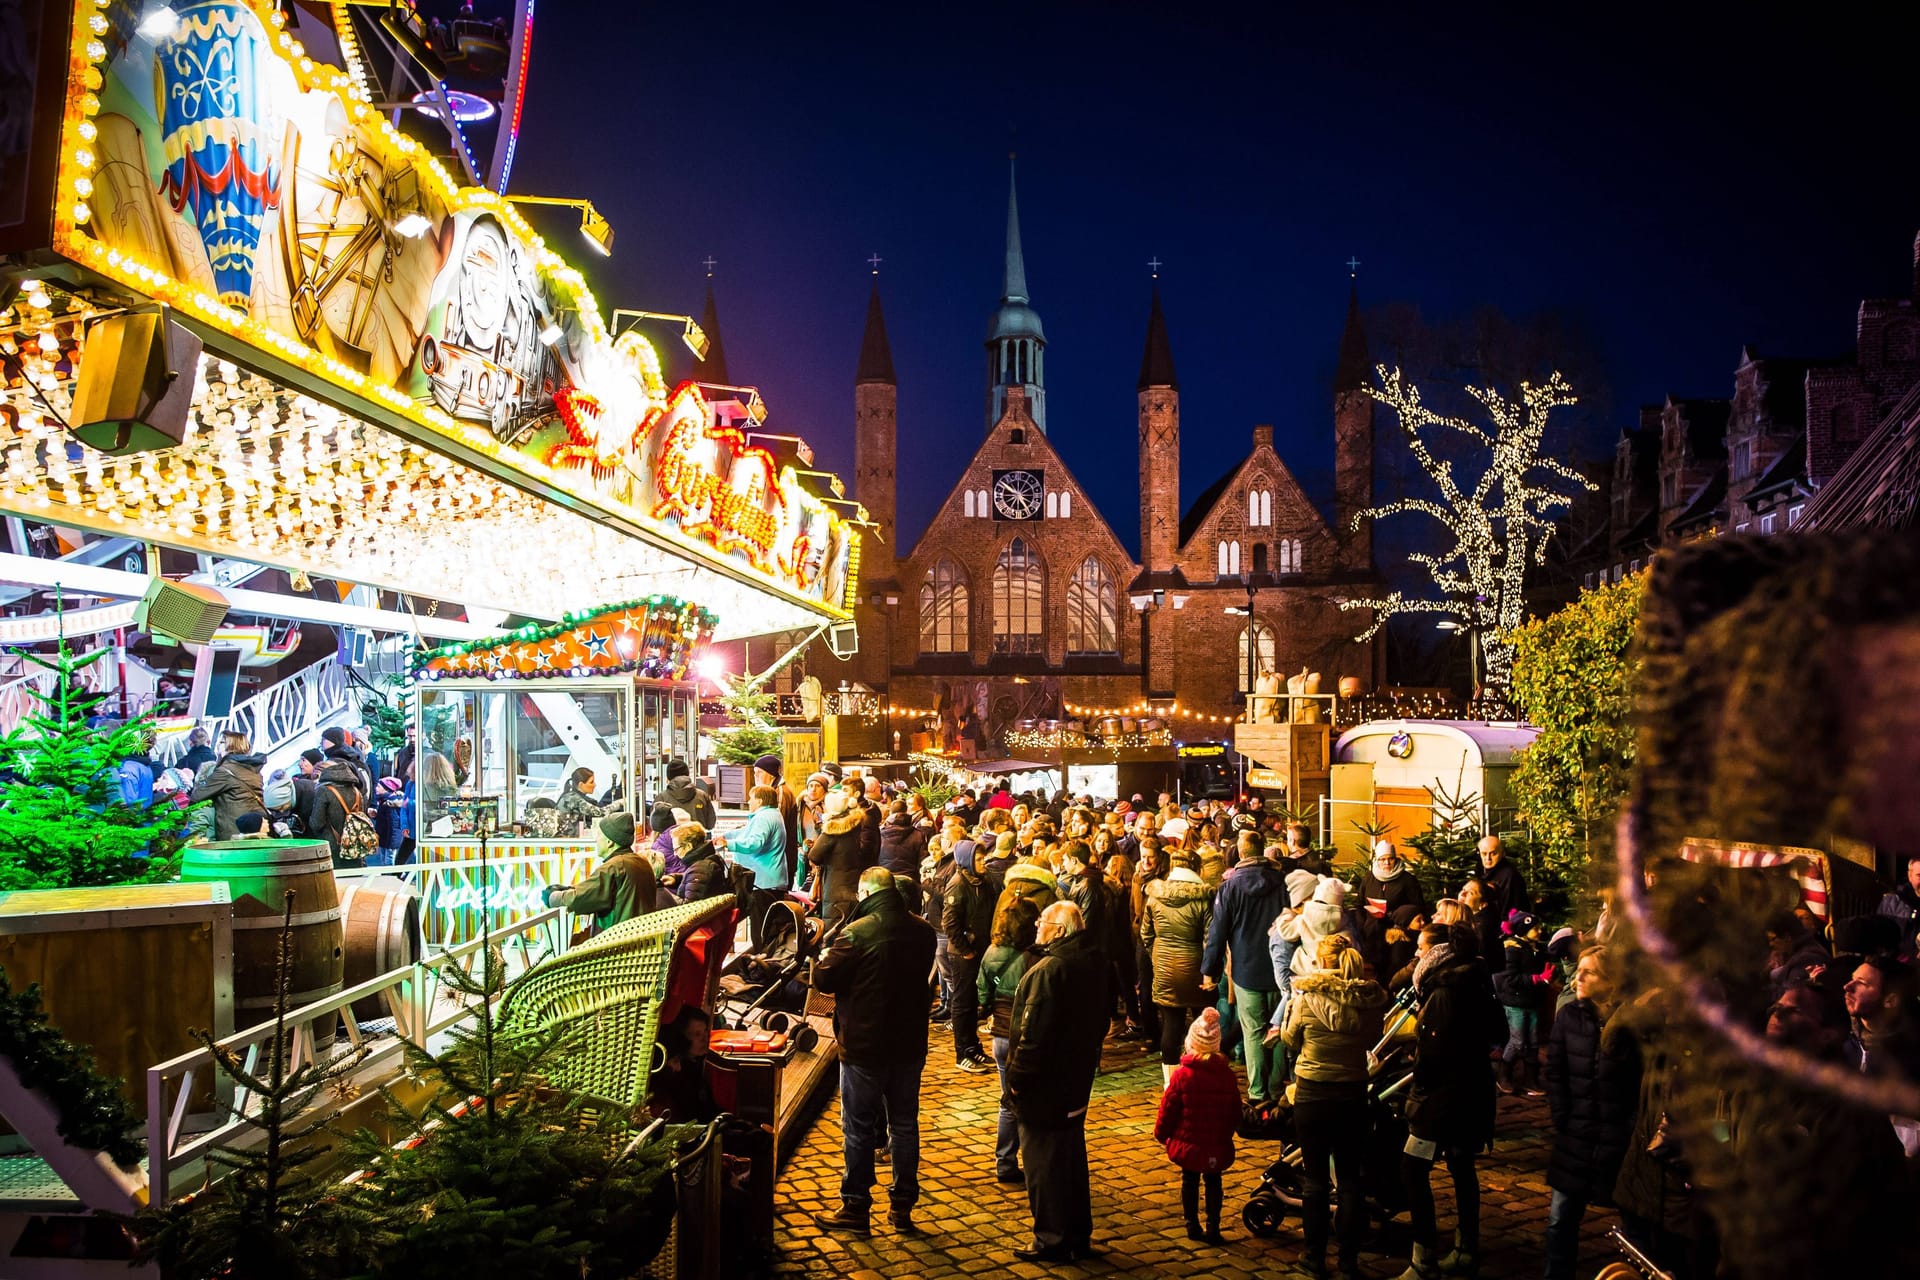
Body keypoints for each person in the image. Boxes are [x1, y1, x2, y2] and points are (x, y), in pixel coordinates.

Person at [811, 867, 937, 1238]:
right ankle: (902, 1205)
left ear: (865, 891)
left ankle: (855, 1204)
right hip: (909, 1042)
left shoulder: (858, 933)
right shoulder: (923, 930)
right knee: (904, 1124)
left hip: (865, 1045)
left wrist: (822, 957)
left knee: (859, 1127)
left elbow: (824, 980)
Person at [1397, 924, 1503, 1280]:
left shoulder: (1444, 993)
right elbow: (1499, 1032)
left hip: (1442, 1099)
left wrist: (1418, 1095)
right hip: (1473, 1091)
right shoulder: (1477, 980)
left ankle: (1423, 1258)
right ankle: (1465, 1247)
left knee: (1413, 1168)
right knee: (1461, 1166)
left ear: (1437, 955)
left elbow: (1432, 1055)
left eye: (1422, 949)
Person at [1006, 901, 1110, 1263]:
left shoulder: (1051, 969)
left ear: (1060, 930)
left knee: (1043, 1165)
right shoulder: (1095, 960)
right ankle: (1077, 1234)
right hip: (1077, 1079)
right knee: (1070, 1159)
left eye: (1043, 922)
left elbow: (1032, 1034)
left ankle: (1051, 1239)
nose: (1037, 926)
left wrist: (1016, 1080)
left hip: (1046, 1086)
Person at [1281, 933, 1389, 1278]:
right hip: (1352, 1093)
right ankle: (1348, 1259)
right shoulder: (1369, 999)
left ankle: (1313, 1257)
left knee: (1314, 1179)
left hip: (1313, 1091)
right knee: (1349, 1180)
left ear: (1322, 961)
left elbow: (1290, 1038)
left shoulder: (1307, 997)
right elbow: (1373, 1040)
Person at [1542, 946, 1638, 1280]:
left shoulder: (1632, 1023)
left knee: (1634, 1227)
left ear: (1611, 981)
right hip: (1576, 1136)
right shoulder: (1569, 1016)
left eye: (1589, 972)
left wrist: (1630, 1128)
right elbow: (1556, 1071)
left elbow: (1641, 1080)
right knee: (1560, 1221)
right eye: (1578, 969)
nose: (1577, 977)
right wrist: (1563, 1117)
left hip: (1619, 1139)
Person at [1201, 828, 1290, 1106]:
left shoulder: (1230, 888)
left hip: (1246, 969)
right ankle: (1276, 1088)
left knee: (1252, 1030)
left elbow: (1218, 932)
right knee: (1279, 1029)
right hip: (1279, 969)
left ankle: (1257, 1091)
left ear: (1240, 852)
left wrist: (1210, 970)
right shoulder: (1282, 883)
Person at [1153, 1007, 1240, 1247]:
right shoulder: (1226, 1075)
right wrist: (1229, 1130)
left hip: (1189, 1142)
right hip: (1216, 1141)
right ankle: (1214, 1225)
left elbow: (1169, 1107)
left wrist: (1161, 1133)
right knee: (1214, 1182)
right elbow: (1235, 1109)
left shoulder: (1182, 1076)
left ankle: (1192, 1224)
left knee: (1189, 1181)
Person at [978, 895, 1042, 1184]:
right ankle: (1032, 1163)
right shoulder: (1037, 957)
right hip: (1027, 1035)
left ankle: (1005, 1162)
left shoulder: (992, 952)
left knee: (1009, 1101)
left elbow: (982, 995)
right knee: (1030, 1101)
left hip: (1001, 1037)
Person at [1141, 848, 1215, 1089]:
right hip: (1194, 966)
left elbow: (1146, 934)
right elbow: (1208, 938)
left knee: (1171, 1023)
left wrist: (1157, 956)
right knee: (1201, 1022)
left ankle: (1170, 1081)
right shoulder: (1203, 898)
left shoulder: (1155, 895)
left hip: (1164, 965)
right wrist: (1209, 969)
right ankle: (1200, 1075)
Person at [941, 819, 996, 1074]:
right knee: (962, 1004)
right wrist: (966, 950)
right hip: (963, 956)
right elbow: (950, 923)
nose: (983, 862)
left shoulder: (981, 883)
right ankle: (962, 1052)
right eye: (978, 859)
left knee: (974, 1002)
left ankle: (974, 1047)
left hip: (979, 952)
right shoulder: (959, 884)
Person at [542, 813, 660, 932]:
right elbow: (593, 889)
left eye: (599, 835)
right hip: (639, 940)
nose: (596, 839)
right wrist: (568, 888)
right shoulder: (641, 862)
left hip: (617, 943)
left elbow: (579, 899)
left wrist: (552, 897)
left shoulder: (614, 867)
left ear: (610, 842)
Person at [725, 785, 791, 950]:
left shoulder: (764, 818)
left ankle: (763, 967)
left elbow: (755, 843)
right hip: (771, 879)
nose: (748, 801)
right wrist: (724, 837)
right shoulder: (772, 815)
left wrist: (729, 844)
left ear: (760, 800)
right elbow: (746, 832)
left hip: (763, 881)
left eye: (751, 797)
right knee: (768, 928)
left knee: (761, 930)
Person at [1495, 909, 1552, 1096]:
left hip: (1533, 1002)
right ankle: (1504, 1075)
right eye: (1535, 928)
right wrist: (1536, 979)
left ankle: (1531, 1079)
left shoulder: (1536, 949)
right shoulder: (1513, 950)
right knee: (1518, 1041)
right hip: (1516, 1002)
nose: (1539, 931)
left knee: (1534, 1042)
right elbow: (1510, 979)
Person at [805, 790, 868, 924]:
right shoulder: (855, 824)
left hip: (835, 887)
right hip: (853, 883)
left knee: (833, 926)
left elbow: (814, 855)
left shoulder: (832, 829)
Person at [190, 732, 266, 840]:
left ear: (231, 746)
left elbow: (197, 796)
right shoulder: (254, 770)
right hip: (257, 827)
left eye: (222, 742)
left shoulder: (226, 771)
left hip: (234, 831)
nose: (217, 746)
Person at [650, 1005, 718, 1123]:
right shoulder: (671, 1077)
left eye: (705, 1031)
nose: (705, 1039)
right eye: (697, 1034)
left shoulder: (697, 1065)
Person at [310, 745, 372, 864]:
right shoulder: (356, 791)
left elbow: (316, 823)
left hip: (331, 847)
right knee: (354, 880)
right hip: (355, 847)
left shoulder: (324, 791)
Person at [1473, 836, 1527, 961]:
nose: (1488, 858)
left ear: (1502, 853)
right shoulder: (1481, 871)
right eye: (1484, 854)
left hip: (1501, 934)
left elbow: (1512, 909)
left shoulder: (1509, 876)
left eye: (1493, 853)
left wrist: (1504, 936)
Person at [877, 800, 928, 914]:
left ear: (890, 812)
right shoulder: (918, 834)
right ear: (906, 812)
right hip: (911, 883)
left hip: (885, 881)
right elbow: (922, 861)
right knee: (912, 918)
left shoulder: (880, 833)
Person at [1876, 851, 1920, 960]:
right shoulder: (1891, 902)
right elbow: (1880, 939)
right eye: (1919, 876)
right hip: (1899, 965)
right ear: (1910, 876)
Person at [671, 821, 729, 903]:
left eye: (676, 849)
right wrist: (676, 879)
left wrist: (666, 896)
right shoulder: (706, 860)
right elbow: (698, 881)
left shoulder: (701, 868)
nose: (675, 854)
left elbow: (690, 908)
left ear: (688, 846)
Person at [659, 758, 716, 830]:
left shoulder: (661, 798)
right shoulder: (702, 795)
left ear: (668, 778)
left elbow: (656, 825)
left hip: (670, 840)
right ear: (687, 775)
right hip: (698, 838)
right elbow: (710, 823)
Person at [320, 725, 374, 796]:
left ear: (333, 741)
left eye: (323, 739)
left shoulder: (339, 761)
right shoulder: (354, 758)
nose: (320, 743)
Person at [555, 766, 609, 834]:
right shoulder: (573, 798)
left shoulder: (573, 796)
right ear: (581, 784)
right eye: (591, 782)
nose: (594, 785)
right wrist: (619, 803)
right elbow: (601, 813)